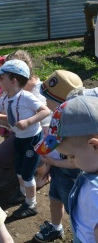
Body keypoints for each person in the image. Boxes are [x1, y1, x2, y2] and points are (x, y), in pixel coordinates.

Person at [0, 59, 51, 219]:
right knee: (19, 170)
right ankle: (23, 193)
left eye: (1, 78)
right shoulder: (6, 99)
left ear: (13, 81)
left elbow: (45, 111)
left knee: (27, 174)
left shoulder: (26, 97)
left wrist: (28, 121)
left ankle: (31, 204)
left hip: (32, 140)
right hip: (19, 139)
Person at [34, 96, 98, 243]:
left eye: (72, 156)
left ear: (94, 146)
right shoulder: (90, 171)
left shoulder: (95, 194)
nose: (70, 160)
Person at [33, 70, 83, 242]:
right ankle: (56, 228)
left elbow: (77, 163)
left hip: (70, 174)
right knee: (54, 199)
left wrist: (53, 162)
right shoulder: (57, 118)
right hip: (57, 169)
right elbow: (51, 146)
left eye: (49, 99)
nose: (45, 101)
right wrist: (50, 166)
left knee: (75, 210)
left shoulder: (74, 127)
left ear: (62, 103)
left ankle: (81, 237)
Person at [0, 50, 50, 189]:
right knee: (2, 157)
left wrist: (27, 122)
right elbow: (10, 115)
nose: (1, 80)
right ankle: (27, 165)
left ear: (15, 77)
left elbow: (45, 120)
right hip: (20, 133)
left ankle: (43, 171)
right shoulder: (11, 90)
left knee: (28, 152)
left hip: (40, 135)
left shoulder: (37, 93)